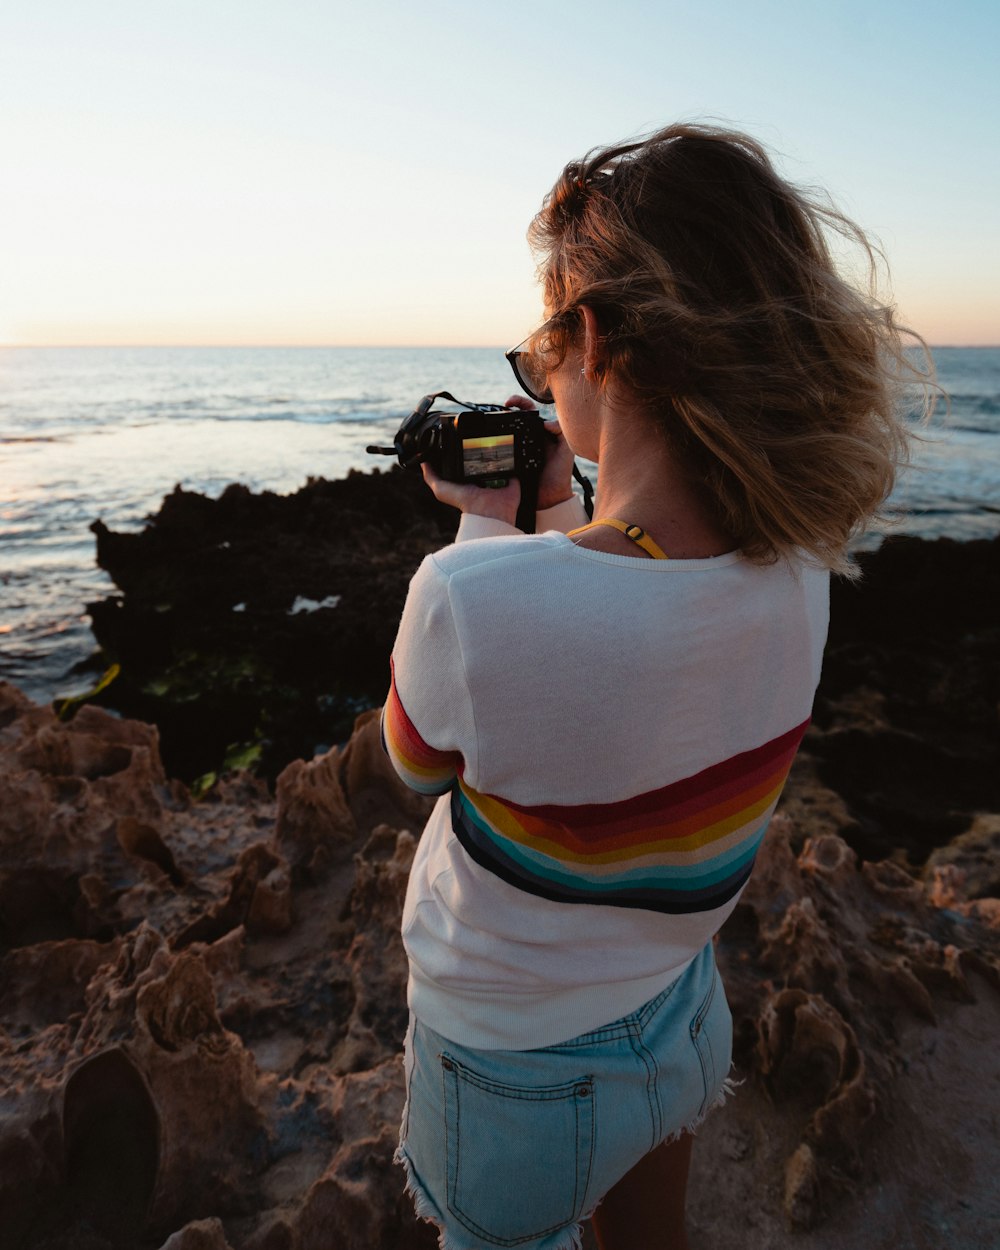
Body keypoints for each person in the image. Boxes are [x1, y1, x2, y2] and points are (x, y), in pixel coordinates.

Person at [381, 123, 932, 1250]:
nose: (538, 378)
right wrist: (558, 516)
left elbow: (411, 761)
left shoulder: (470, 599)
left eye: (540, 353)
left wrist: (485, 521)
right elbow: (635, 615)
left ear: (589, 336)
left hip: (512, 1062)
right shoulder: (799, 570)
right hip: (679, 1013)